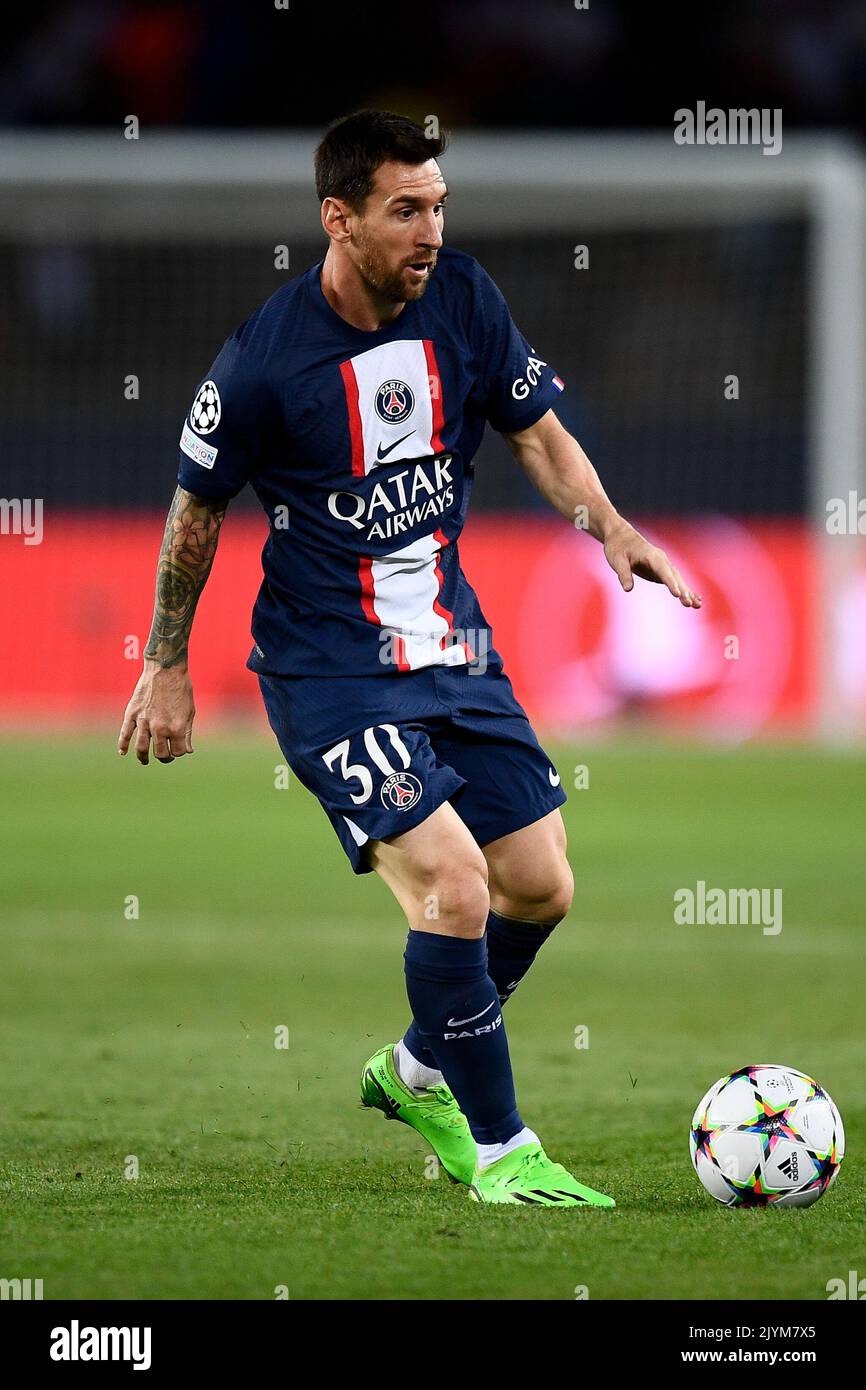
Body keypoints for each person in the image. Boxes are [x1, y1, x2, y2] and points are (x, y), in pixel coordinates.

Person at [119, 110, 701, 1206]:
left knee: (540, 887)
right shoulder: (263, 362)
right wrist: (166, 660)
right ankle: (497, 1149)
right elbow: (197, 510)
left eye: (437, 205)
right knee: (453, 884)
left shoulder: (467, 301)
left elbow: (533, 430)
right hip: (326, 672)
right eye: (404, 210)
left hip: (450, 646)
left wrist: (608, 523)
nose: (430, 229)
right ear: (337, 221)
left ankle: (419, 1068)